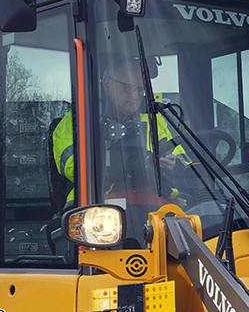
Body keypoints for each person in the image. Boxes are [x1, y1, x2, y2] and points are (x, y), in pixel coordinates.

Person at [50, 56, 190, 208]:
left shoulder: (153, 118)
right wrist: (130, 164)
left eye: (139, 89)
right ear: (107, 83)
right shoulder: (80, 119)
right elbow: (73, 167)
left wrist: (172, 163)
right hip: (96, 202)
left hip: (153, 199)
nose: (134, 95)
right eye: (127, 87)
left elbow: (180, 158)